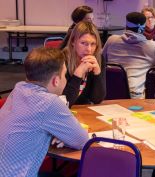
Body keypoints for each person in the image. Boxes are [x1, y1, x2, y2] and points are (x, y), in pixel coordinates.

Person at [0, 47, 89, 177]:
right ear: (56, 80)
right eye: (64, 75)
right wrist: (64, 134)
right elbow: (82, 140)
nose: (65, 79)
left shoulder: (18, 89)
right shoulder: (49, 102)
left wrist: (60, 133)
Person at [102, 12, 155, 99]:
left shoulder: (111, 40)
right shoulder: (152, 46)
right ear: (144, 28)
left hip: (109, 92)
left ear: (126, 26)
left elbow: (101, 61)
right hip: (134, 96)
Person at [63, 21, 106, 107]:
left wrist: (97, 74)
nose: (89, 50)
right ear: (73, 42)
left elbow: (97, 99)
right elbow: (65, 102)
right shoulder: (62, 60)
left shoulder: (98, 59)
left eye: (93, 44)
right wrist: (78, 74)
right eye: (83, 43)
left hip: (84, 110)